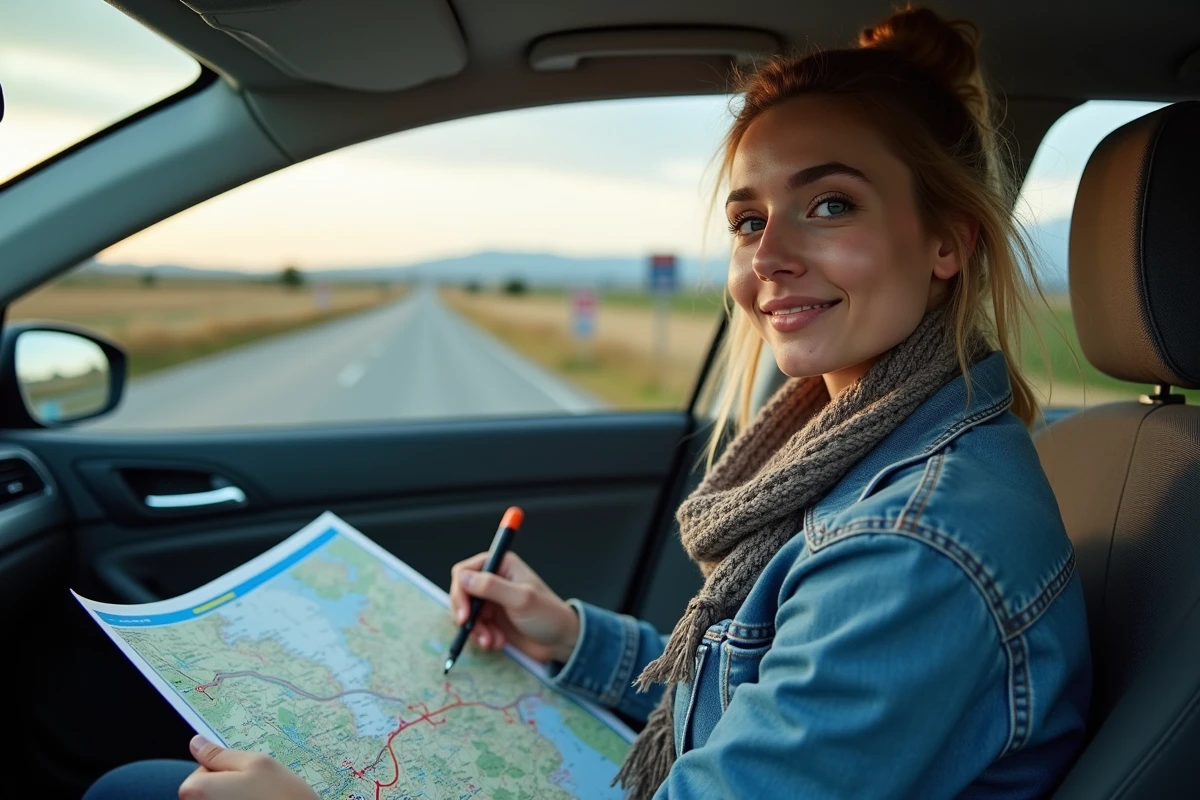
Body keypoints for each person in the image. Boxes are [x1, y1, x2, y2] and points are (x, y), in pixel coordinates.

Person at [83, 7, 1090, 800]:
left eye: (831, 204)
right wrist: (568, 635)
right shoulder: (871, 453)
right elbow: (757, 697)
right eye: (749, 219)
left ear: (947, 241)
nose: (771, 256)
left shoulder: (910, 545)